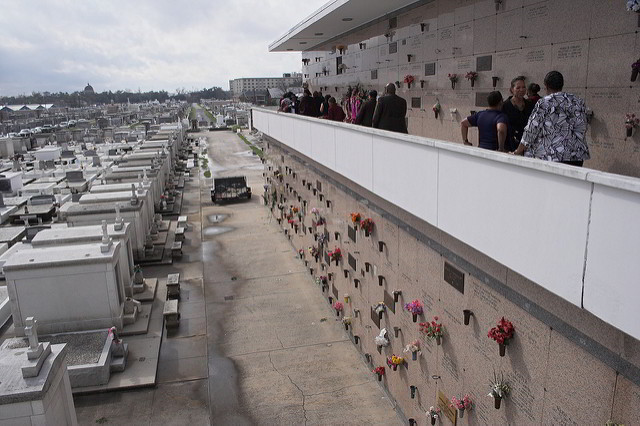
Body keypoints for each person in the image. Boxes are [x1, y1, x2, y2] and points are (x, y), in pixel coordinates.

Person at [514, 71, 590, 166]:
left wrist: (519, 150)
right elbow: (583, 126)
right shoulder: (578, 101)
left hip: (552, 155)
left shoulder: (544, 102)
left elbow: (532, 129)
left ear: (546, 85)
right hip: (576, 156)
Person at [502, 76, 534, 152]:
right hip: (509, 145)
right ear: (512, 90)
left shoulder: (530, 104)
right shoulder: (505, 106)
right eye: (518, 88)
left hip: (526, 145)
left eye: (523, 87)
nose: (521, 90)